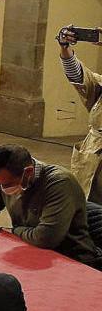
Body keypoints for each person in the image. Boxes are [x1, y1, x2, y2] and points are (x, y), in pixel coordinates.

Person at [0, 144, 101, 265]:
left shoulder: (59, 183)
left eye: (7, 184)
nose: (3, 188)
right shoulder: (3, 179)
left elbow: (45, 238)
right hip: (30, 251)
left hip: (73, 259)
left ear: (28, 172)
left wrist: (15, 230)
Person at [55, 26, 102, 203]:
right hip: (93, 159)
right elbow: (78, 76)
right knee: (87, 210)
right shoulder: (99, 86)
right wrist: (65, 48)